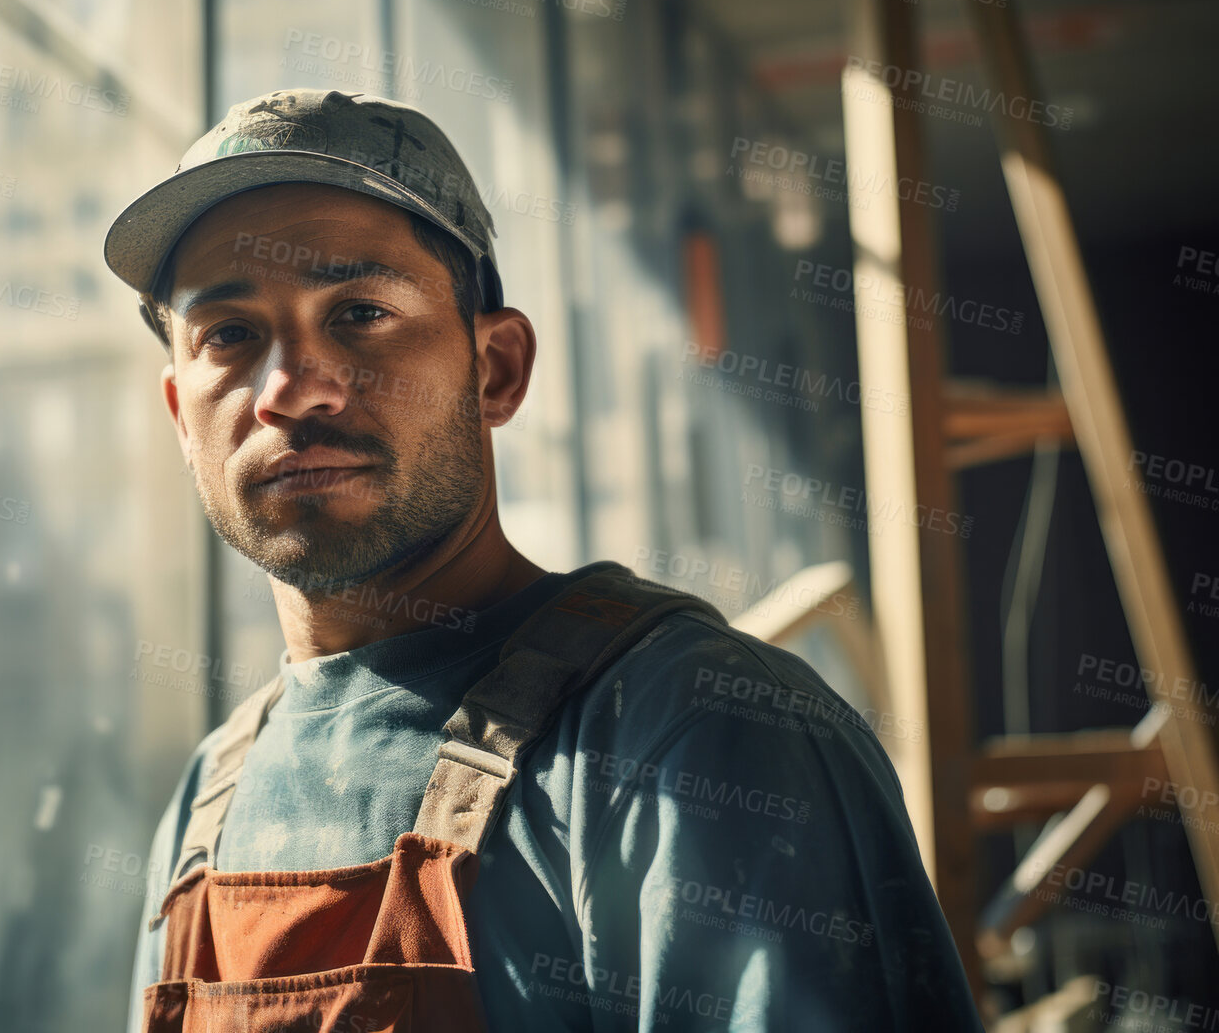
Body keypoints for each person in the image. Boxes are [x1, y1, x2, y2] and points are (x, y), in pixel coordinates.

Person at [103, 88, 983, 1032]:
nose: (292, 388)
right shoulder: (211, 799)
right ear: (178, 412)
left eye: (359, 312)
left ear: (496, 371)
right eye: (229, 335)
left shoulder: (693, 731)